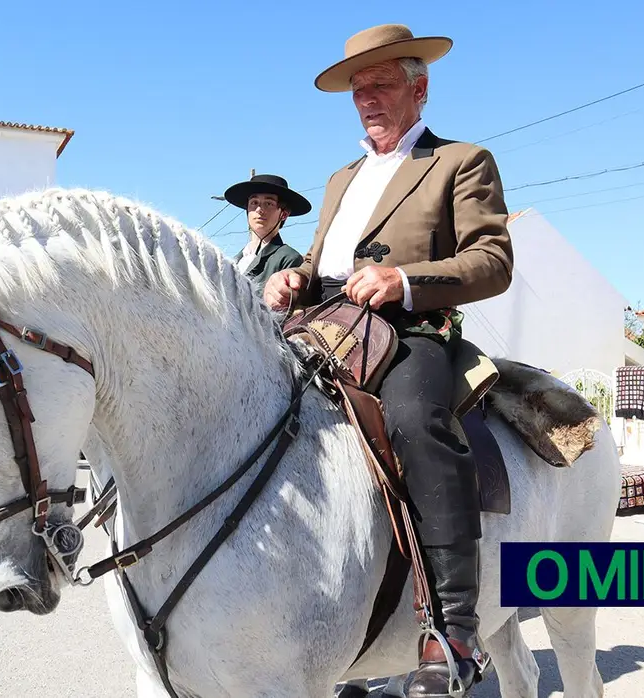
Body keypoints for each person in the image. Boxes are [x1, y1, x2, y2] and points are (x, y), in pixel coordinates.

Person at [263, 24, 514, 698]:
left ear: (419, 86)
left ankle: (452, 628)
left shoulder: (461, 161)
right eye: (358, 87)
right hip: (317, 320)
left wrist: (404, 282)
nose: (366, 97)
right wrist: (292, 278)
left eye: (381, 83)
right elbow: (320, 263)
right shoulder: (341, 177)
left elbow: (492, 262)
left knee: (415, 422)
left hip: (406, 329)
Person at [222, 174, 310, 291]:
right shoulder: (234, 261)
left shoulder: (289, 258)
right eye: (254, 202)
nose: (259, 209)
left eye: (268, 203)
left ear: (284, 214)